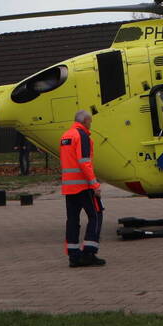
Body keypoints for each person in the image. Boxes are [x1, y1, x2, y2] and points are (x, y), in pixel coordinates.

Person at [60, 109, 105, 267]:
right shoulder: (82, 135)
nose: (90, 124)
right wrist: (95, 184)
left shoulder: (66, 136)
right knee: (96, 215)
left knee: (72, 220)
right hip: (83, 186)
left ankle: (73, 256)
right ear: (85, 121)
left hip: (69, 187)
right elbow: (84, 161)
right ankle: (89, 252)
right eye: (90, 121)